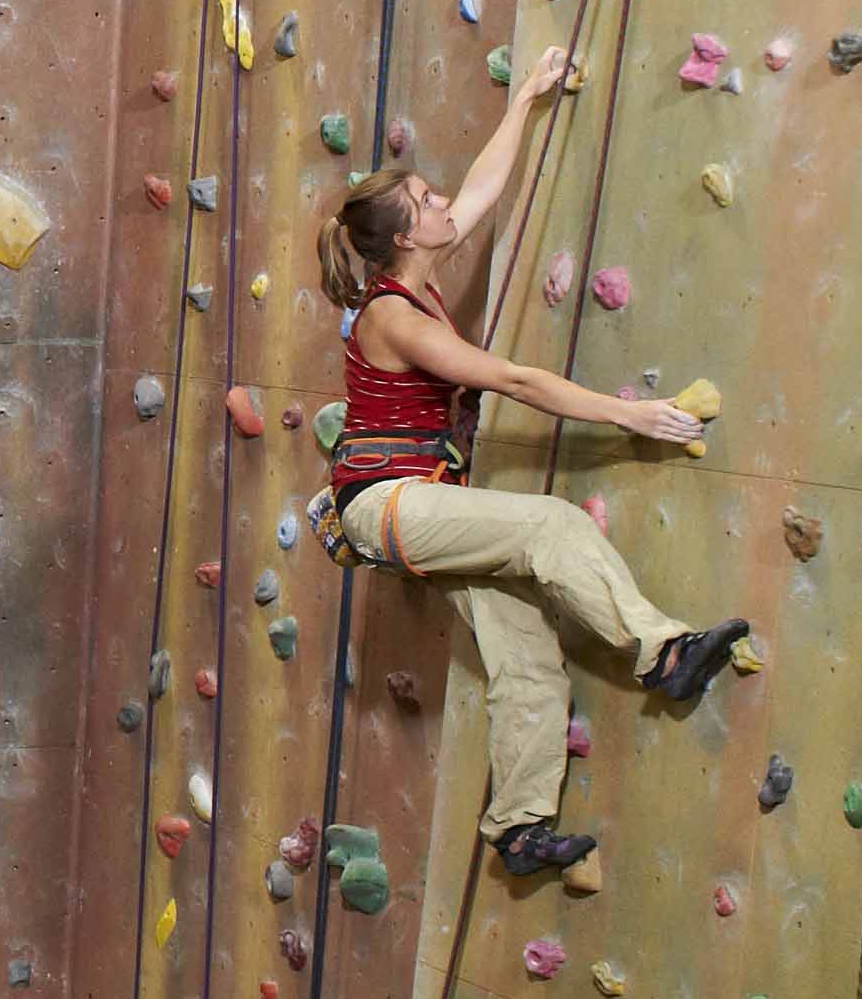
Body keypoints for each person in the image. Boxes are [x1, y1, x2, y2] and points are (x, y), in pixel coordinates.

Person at [315, 47, 751, 880]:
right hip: (390, 505)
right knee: (550, 527)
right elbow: (512, 379)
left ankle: (519, 829)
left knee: (526, 656)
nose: (447, 204)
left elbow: (481, 187)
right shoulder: (396, 316)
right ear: (408, 235)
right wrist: (627, 412)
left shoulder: (419, 274)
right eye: (428, 202)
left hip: (418, 508)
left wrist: (526, 101)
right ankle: (661, 652)